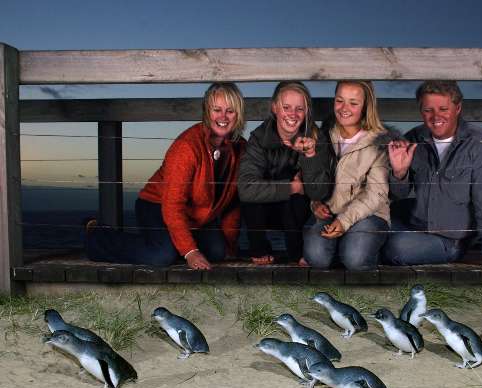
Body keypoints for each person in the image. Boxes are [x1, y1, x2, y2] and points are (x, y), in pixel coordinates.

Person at [86, 82, 246, 270]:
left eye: (230, 111)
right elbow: (172, 205)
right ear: (206, 112)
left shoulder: (242, 148)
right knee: (162, 255)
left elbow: (233, 204)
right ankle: (96, 237)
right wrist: (190, 251)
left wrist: (231, 244)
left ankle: (176, 242)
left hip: (197, 216)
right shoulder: (187, 147)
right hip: (157, 205)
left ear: (239, 114)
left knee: (218, 253)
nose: (223, 117)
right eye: (216, 110)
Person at [383, 80, 482, 270]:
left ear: (458, 108)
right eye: (428, 110)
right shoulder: (413, 139)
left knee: (396, 248)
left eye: (443, 109)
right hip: (413, 228)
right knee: (368, 229)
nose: (435, 116)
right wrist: (399, 172)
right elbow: (398, 194)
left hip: (450, 242)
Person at [238, 81, 331, 265]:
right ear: (274, 108)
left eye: (299, 109)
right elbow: (246, 188)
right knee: (256, 196)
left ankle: (296, 253)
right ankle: (259, 248)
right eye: (286, 107)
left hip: (297, 213)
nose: (293, 114)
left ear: (306, 112)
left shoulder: (316, 137)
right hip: (265, 210)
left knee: (293, 197)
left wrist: (309, 155)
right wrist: (294, 186)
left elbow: (319, 192)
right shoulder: (259, 138)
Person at [303, 80, 390, 271]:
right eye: (339, 101)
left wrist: (344, 221)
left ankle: (368, 249)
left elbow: (377, 193)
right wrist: (315, 203)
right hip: (330, 211)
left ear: (366, 106)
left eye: (353, 103)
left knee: (355, 258)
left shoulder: (379, 140)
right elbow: (313, 175)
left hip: (369, 214)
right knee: (316, 258)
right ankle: (339, 249)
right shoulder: (324, 134)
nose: (344, 108)